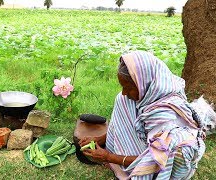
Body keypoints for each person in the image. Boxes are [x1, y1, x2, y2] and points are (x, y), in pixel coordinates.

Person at [79, 51, 206, 179]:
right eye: (123, 87)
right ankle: (120, 155)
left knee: (168, 156)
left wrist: (108, 157)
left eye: (128, 88)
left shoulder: (165, 116)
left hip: (163, 163)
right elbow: (121, 125)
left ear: (145, 83)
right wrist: (99, 139)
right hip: (149, 147)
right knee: (122, 100)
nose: (124, 92)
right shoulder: (143, 95)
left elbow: (154, 162)